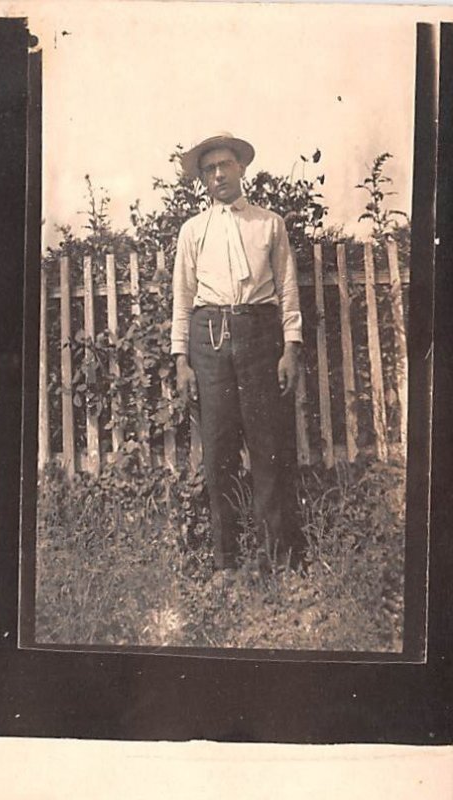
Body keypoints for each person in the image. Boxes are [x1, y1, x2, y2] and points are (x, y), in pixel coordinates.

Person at [171, 132, 305, 581]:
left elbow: (287, 289)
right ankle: (226, 561)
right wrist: (181, 360)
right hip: (209, 340)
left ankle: (279, 560)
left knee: (268, 447)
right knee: (219, 451)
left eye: (225, 165)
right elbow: (183, 298)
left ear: (242, 168)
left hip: (259, 334)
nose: (218, 175)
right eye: (209, 170)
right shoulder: (193, 230)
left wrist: (291, 348)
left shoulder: (269, 224)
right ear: (202, 179)